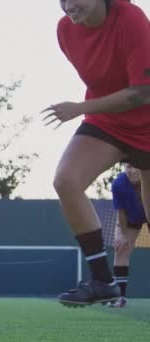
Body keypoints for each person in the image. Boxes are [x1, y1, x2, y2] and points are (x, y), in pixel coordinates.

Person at [43, 0, 150, 306]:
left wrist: (80, 108)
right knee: (66, 180)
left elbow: (144, 91)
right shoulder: (65, 31)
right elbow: (105, 81)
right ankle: (103, 280)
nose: (68, 4)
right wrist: (88, 110)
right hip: (110, 121)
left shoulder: (131, 17)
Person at [109, 163, 148, 308]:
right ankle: (120, 297)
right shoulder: (118, 184)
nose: (132, 171)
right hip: (132, 218)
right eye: (128, 167)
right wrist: (122, 234)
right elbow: (121, 213)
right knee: (121, 249)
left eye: (135, 166)